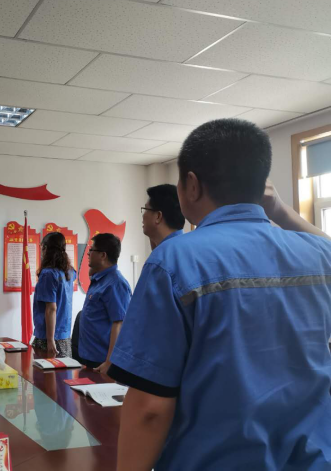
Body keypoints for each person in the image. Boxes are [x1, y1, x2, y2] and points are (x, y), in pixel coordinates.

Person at [110, 119, 331, 471]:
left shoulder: (174, 260)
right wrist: (281, 211)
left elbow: (151, 407)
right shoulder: (318, 256)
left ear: (191, 185)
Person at [77, 233, 131, 374]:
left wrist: (109, 362)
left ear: (103, 255)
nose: (88, 254)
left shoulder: (115, 283)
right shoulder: (99, 280)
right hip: (88, 357)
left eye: (91, 250)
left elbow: (119, 324)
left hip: (102, 361)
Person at [32, 232, 77, 359]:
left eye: (42, 247)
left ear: (46, 248)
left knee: (45, 371)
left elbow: (51, 309)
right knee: (64, 370)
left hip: (49, 337)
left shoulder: (48, 274)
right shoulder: (69, 271)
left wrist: (50, 340)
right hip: (64, 335)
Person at [142, 184, 186, 250]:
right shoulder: (188, 248)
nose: (143, 215)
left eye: (146, 209)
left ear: (158, 216)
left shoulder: (162, 254)